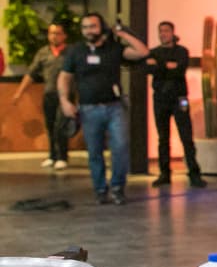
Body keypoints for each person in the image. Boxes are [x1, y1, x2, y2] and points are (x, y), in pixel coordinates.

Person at [58, 13, 149, 204]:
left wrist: (123, 34)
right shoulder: (76, 51)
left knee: (121, 147)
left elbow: (142, 52)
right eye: (85, 27)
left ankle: (117, 188)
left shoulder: (114, 49)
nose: (89, 31)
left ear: (102, 28)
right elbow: (65, 77)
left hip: (115, 107)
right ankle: (100, 189)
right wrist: (65, 101)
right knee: (94, 152)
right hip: (89, 109)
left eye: (92, 26)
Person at [145, 21, 206, 188]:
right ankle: (164, 173)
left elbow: (179, 70)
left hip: (180, 98)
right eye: (160, 31)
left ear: (173, 32)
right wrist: (166, 67)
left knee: (186, 136)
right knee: (162, 137)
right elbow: (149, 70)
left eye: (166, 31)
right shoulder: (154, 52)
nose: (163, 34)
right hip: (160, 99)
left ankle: (194, 173)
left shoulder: (181, 51)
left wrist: (159, 66)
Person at [12, 22, 73, 169]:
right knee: (50, 126)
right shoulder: (43, 53)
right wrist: (19, 92)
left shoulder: (71, 52)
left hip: (66, 95)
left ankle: (62, 156)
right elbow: (31, 73)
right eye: (51, 33)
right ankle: (52, 156)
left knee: (60, 125)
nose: (54, 36)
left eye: (57, 33)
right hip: (49, 94)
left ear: (64, 35)